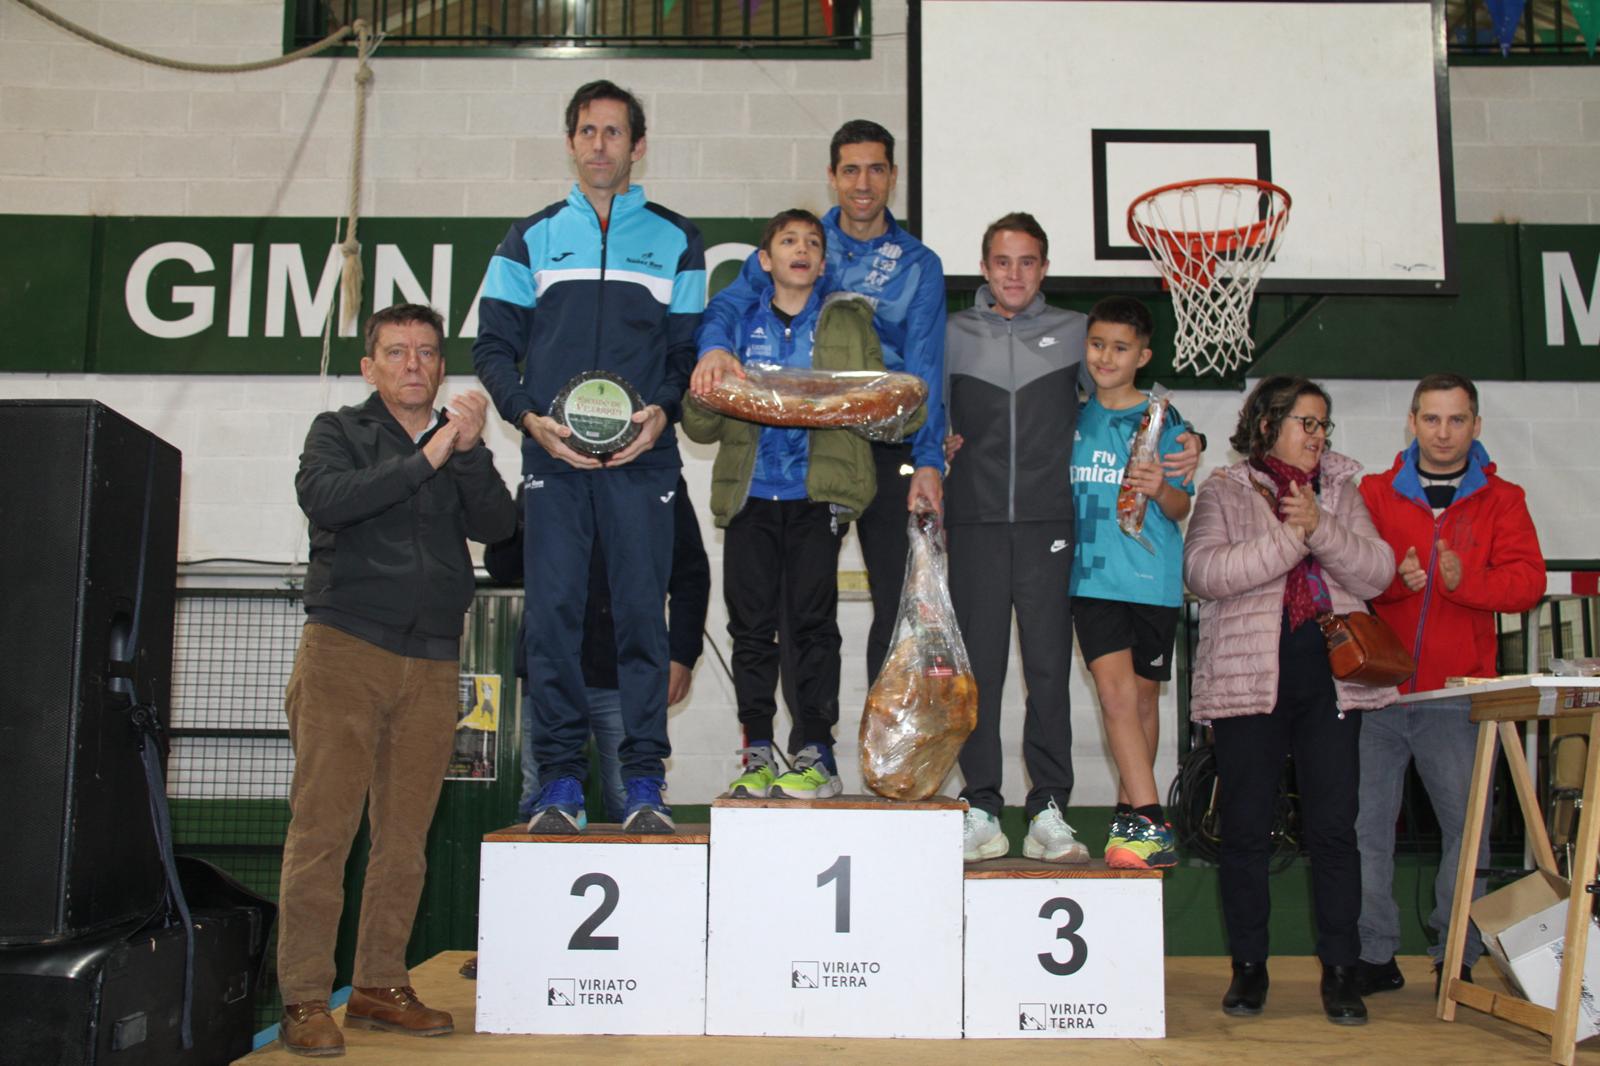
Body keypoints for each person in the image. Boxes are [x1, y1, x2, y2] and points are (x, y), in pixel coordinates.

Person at [277, 303, 516, 1056]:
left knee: (405, 838)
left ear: (441, 365)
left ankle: (380, 985)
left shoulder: (457, 439)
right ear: (369, 366)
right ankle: (304, 997)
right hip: (345, 649)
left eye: (427, 352)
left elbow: (499, 527)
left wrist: (469, 451)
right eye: (396, 351)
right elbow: (327, 499)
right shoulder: (338, 432)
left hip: (435, 658)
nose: (414, 364)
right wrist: (429, 455)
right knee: (324, 832)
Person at [472, 80, 704, 835]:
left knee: (641, 619)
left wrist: (661, 411)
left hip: (645, 460)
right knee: (553, 621)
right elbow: (492, 346)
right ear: (571, 142)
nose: (600, 144)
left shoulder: (678, 240)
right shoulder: (529, 238)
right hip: (555, 461)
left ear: (638, 145)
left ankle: (643, 781)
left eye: (614, 131)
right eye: (587, 131)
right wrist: (527, 418)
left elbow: (687, 351)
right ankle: (560, 782)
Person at [943, 215, 1200, 864]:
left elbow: (1126, 400)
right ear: (984, 267)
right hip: (973, 522)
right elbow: (928, 418)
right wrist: (932, 451)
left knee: (1049, 671)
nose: (1014, 274)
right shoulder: (951, 333)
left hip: (1052, 528)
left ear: (1045, 269)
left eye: (1028, 261)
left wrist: (1186, 439)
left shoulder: (1074, 334)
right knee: (978, 673)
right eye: (1003, 261)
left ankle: (1048, 809)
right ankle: (981, 805)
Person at [690, 120, 946, 687]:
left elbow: (927, 366)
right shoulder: (801, 242)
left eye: (876, 169)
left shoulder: (919, 263)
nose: (863, 183)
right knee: (795, 608)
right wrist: (713, 348)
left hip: (888, 447)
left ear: (894, 176)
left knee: (897, 600)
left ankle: (883, 738)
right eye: (850, 170)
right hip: (808, 448)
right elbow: (727, 306)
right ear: (832, 176)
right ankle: (808, 735)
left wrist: (929, 458)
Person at [684, 209, 918, 799]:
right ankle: (758, 751)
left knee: (814, 626)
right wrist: (704, 389)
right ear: (765, 260)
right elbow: (701, 426)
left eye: (813, 241)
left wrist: (897, 410)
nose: (802, 249)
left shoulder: (849, 319)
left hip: (819, 499)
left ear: (822, 261)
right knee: (750, 629)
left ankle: (817, 752)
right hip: (749, 497)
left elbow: (876, 401)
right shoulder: (735, 323)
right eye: (788, 241)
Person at [1183, 376, 1395, 1025]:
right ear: (1267, 424)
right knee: (1245, 829)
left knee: (1334, 830)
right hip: (1247, 680)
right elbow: (1203, 572)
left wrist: (1321, 526)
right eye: (1307, 422)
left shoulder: (1342, 489)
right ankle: (1249, 969)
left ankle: (1341, 971)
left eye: (1324, 424)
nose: (1318, 435)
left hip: (1330, 679)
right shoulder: (1225, 488)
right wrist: (1290, 537)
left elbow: (1378, 571)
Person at [1354, 373, 1545, 996]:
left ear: (1476, 425)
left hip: (1458, 695)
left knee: (1468, 831)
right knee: (1366, 830)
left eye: (1456, 420)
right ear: (1411, 422)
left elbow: (1528, 584)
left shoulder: (1504, 499)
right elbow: (1344, 572)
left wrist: (1467, 583)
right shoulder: (1373, 492)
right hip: (1376, 691)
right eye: (1432, 419)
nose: (1443, 432)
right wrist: (1394, 584)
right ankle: (1372, 953)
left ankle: (1455, 954)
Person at [482, 476, 710, 822]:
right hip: (549, 673)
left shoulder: (655, 474)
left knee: (632, 805)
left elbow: (690, 571)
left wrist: (682, 655)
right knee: (541, 804)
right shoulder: (544, 473)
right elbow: (501, 566)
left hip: (626, 674)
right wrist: (523, 514)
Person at [1069, 296, 1193, 868]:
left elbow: (1180, 506)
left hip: (1151, 577)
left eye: (1120, 348)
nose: (1105, 357)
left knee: (1142, 699)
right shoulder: (1071, 417)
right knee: (1114, 693)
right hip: (1091, 576)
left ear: (1142, 356)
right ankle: (1150, 817)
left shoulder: (1164, 421)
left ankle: (1127, 827)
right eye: (1097, 344)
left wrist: (1159, 488)